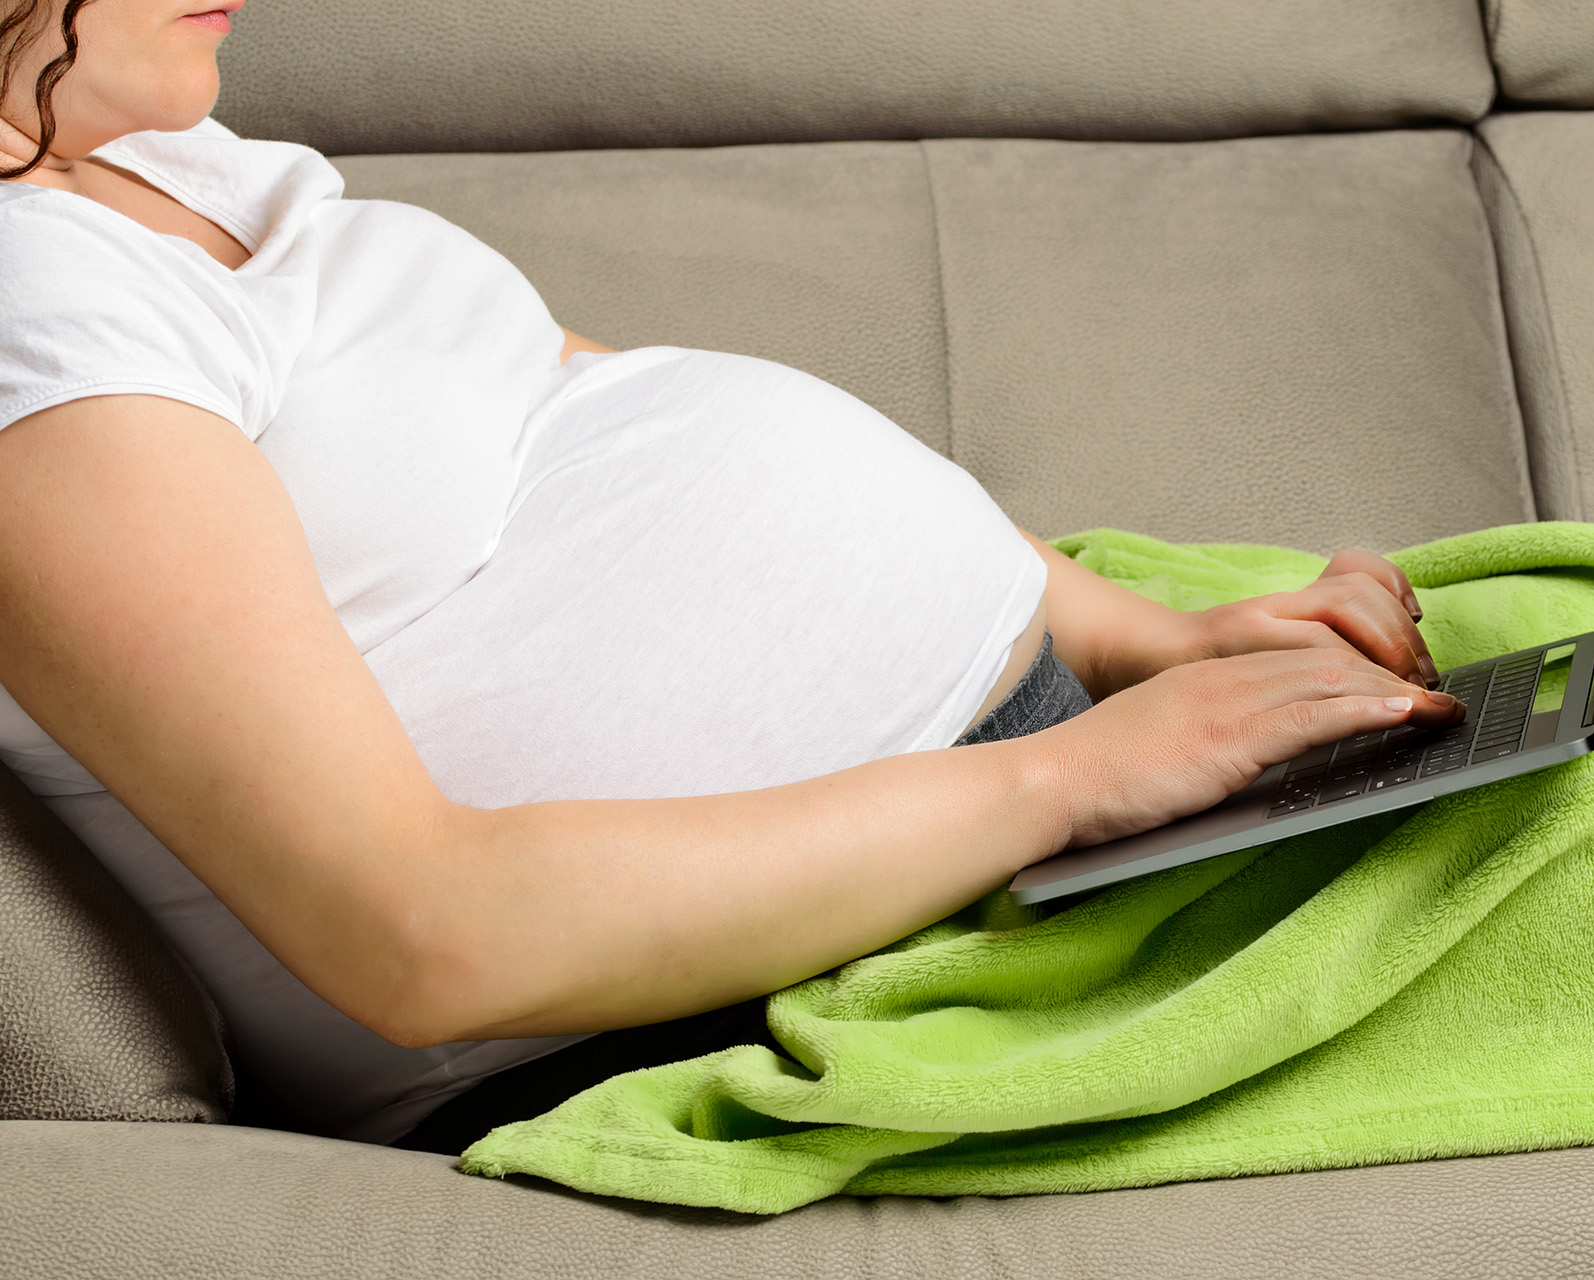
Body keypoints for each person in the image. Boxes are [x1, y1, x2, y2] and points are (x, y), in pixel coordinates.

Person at [0, 0, 1463, 1149]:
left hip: (1022, 803)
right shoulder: (30, 306)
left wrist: (1146, 640)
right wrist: (1075, 779)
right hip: (693, 1009)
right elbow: (422, 936)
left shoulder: (152, 150)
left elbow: (568, 395)